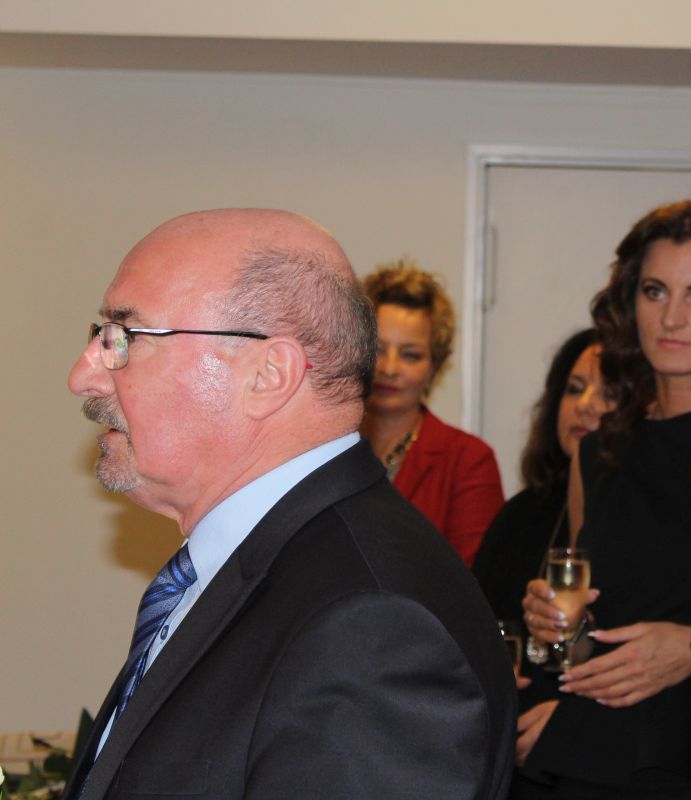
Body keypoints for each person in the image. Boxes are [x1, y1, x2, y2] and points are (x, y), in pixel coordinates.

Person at [64, 209, 516, 800]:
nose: (84, 376)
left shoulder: (372, 629)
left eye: (125, 337)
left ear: (268, 375)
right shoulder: (270, 563)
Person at [520, 199, 691, 798]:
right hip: (601, 756)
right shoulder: (598, 452)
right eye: (654, 291)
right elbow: (596, 634)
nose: (672, 317)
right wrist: (559, 625)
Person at [360, 261, 504, 566]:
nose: (389, 368)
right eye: (378, 349)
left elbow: (472, 580)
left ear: (434, 366)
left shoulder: (468, 461)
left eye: (410, 355)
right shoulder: (321, 446)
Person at [473, 328, 611, 625]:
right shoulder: (520, 515)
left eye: (609, 394)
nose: (584, 405)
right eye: (574, 389)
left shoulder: (644, 517)